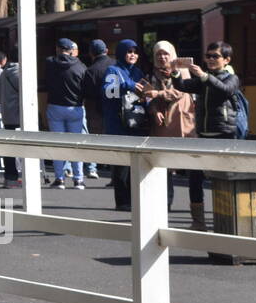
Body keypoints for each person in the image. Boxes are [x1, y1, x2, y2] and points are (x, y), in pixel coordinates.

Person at [177, 41, 241, 231]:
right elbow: (183, 85)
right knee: (195, 177)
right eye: (208, 56)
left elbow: (225, 90)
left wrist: (204, 76)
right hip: (203, 135)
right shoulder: (204, 80)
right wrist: (174, 72)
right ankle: (198, 222)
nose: (211, 59)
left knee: (225, 179)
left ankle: (230, 222)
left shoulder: (232, 77)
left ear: (226, 59)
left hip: (225, 135)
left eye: (215, 56)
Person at [136, 40, 195, 210]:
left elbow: (180, 91)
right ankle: (165, 202)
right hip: (162, 122)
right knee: (163, 163)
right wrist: (154, 110)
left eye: (165, 53)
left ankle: (195, 203)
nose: (162, 57)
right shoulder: (152, 74)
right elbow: (148, 97)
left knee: (189, 162)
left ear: (172, 54)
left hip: (182, 119)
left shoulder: (181, 69)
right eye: (158, 54)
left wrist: (157, 93)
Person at [102, 39, 144, 210]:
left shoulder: (138, 71)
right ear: (121, 53)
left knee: (134, 164)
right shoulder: (113, 69)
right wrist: (131, 85)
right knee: (121, 164)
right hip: (117, 122)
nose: (132, 54)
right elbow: (109, 91)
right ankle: (122, 201)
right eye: (129, 51)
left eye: (135, 51)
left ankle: (134, 200)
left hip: (135, 121)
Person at [45, 38, 89, 188]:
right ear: (71, 50)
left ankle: (60, 179)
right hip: (75, 108)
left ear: (57, 48)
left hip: (55, 107)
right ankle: (78, 179)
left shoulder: (50, 63)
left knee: (58, 145)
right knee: (75, 144)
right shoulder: (81, 66)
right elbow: (85, 87)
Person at [80, 39, 115, 179]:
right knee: (114, 142)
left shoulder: (91, 70)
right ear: (106, 50)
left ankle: (93, 168)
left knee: (94, 140)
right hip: (115, 109)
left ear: (91, 54)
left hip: (96, 110)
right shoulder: (116, 65)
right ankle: (115, 174)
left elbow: (86, 92)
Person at [0, 52, 23, 187]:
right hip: (20, 115)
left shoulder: (3, 73)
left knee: (9, 148)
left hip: (7, 115)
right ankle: (21, 177)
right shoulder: (20, 73)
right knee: (25, 147)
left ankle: (10, 178)